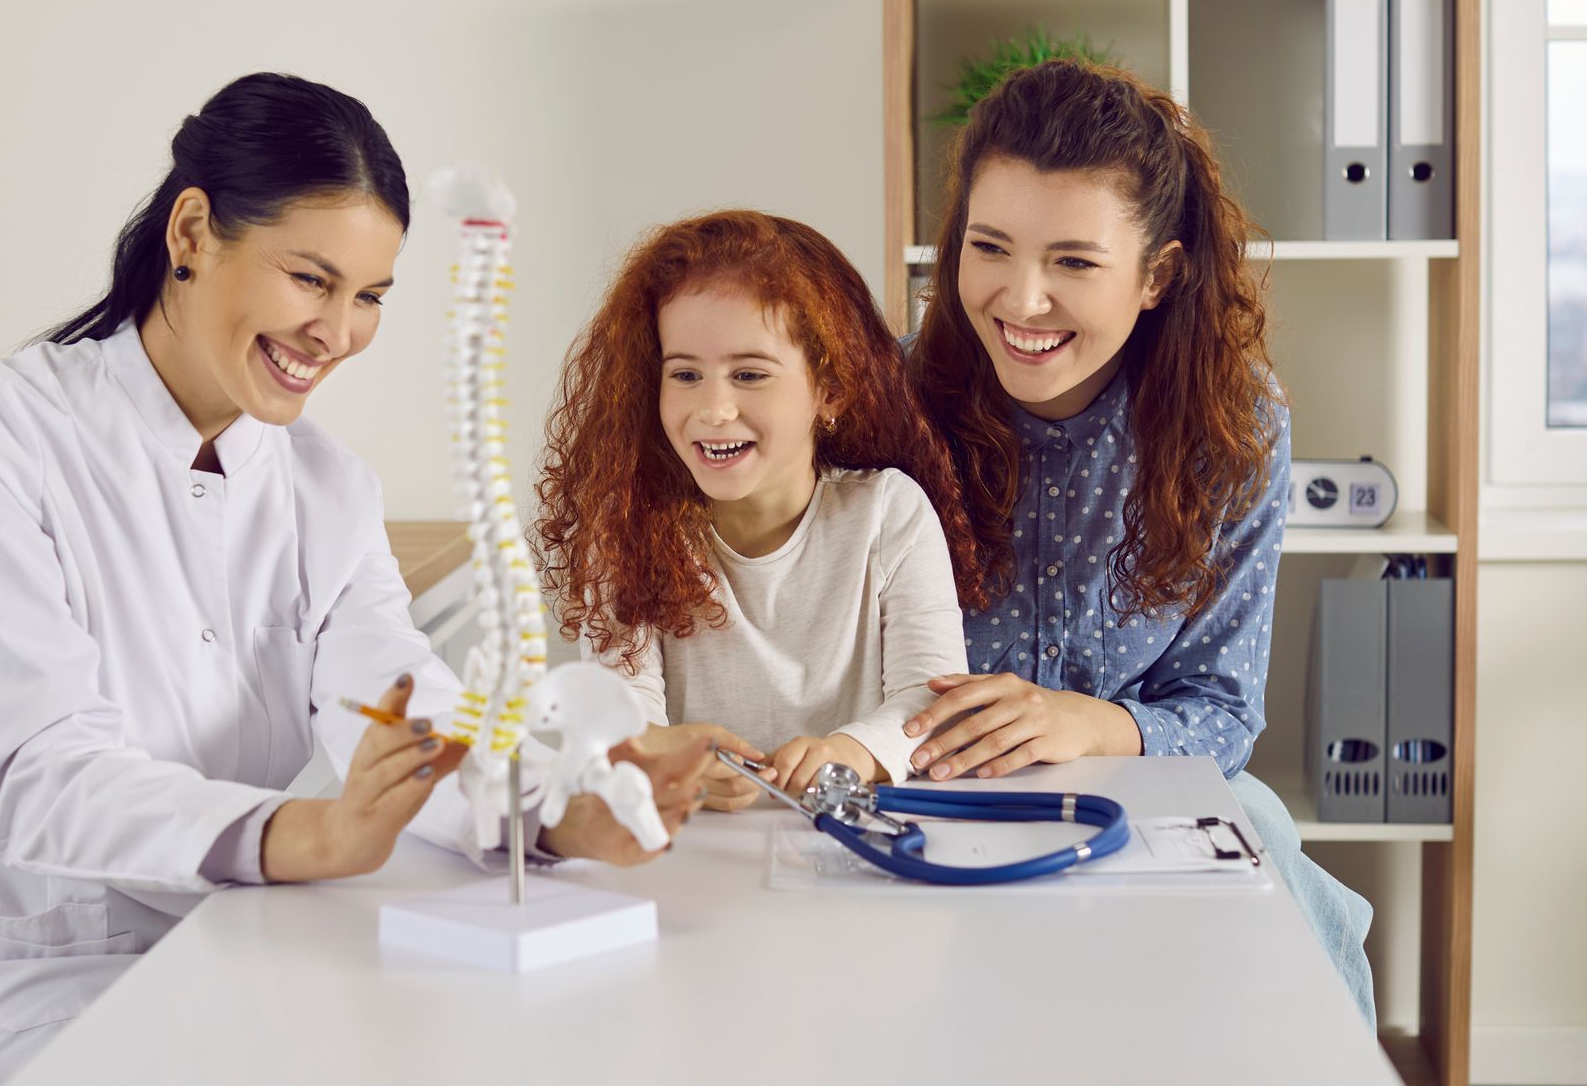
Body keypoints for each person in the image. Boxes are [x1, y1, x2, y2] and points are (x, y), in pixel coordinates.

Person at [0, 73, 713, 1086]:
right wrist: (305, 832)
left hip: (206, 949)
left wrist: (544, 811)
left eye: (368, 297)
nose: (339, 332)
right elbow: (34, 769)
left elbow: (398, 700)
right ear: (191, 233)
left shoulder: (327, 485)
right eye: (311, 280)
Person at [900, 58, 1376, 1027]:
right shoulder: (893, 402)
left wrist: (1091, 722)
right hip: (923, 801)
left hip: (1142, 802)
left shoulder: (1234, 432)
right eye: (990, 247)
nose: (1020, 299)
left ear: (1156, 274)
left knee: (1288, 905)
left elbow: (1224, 709)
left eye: (1073, 262)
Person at [532, 210, 984, 803]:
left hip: (854, 840)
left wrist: (850, 753)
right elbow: (621, 716)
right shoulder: (624, 527)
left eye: (748, 374)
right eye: (686, 374)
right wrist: (665, 757)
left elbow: (929, 696)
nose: (714, 408)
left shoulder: (888, 514)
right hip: (693, 854)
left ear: (832, 390)